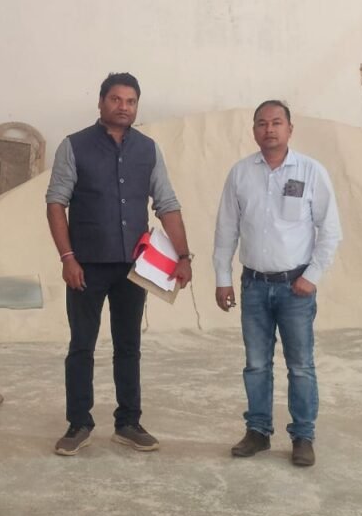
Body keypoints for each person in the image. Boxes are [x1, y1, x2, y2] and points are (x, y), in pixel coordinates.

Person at [45, 72, 192, 456]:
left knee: (129, 346)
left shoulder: (148, 150)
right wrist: (67, 258)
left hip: (133, 268)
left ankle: (128, 423)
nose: (123, 107)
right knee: (82, 345)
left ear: (136, 106)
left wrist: (183, 256)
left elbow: (167, 204)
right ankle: (78, 424)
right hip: (86, 266)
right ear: (101, 102)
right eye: (116, 99)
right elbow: (56, 203)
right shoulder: (74, 146)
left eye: (130, 101)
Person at [213, 101, 342, 467]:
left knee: (300, 365)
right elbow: (226, 229)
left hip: (295, 289)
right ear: (254, 130)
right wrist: (223, 278)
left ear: (289, 129)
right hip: (253, 286)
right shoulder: (240, 173)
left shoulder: (311, 171)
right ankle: (258, 432)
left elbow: (330, 230)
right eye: (261, 123)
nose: (269, 129)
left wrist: (311, 276)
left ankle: (303, 436)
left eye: (276, 123)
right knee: (256, 364)